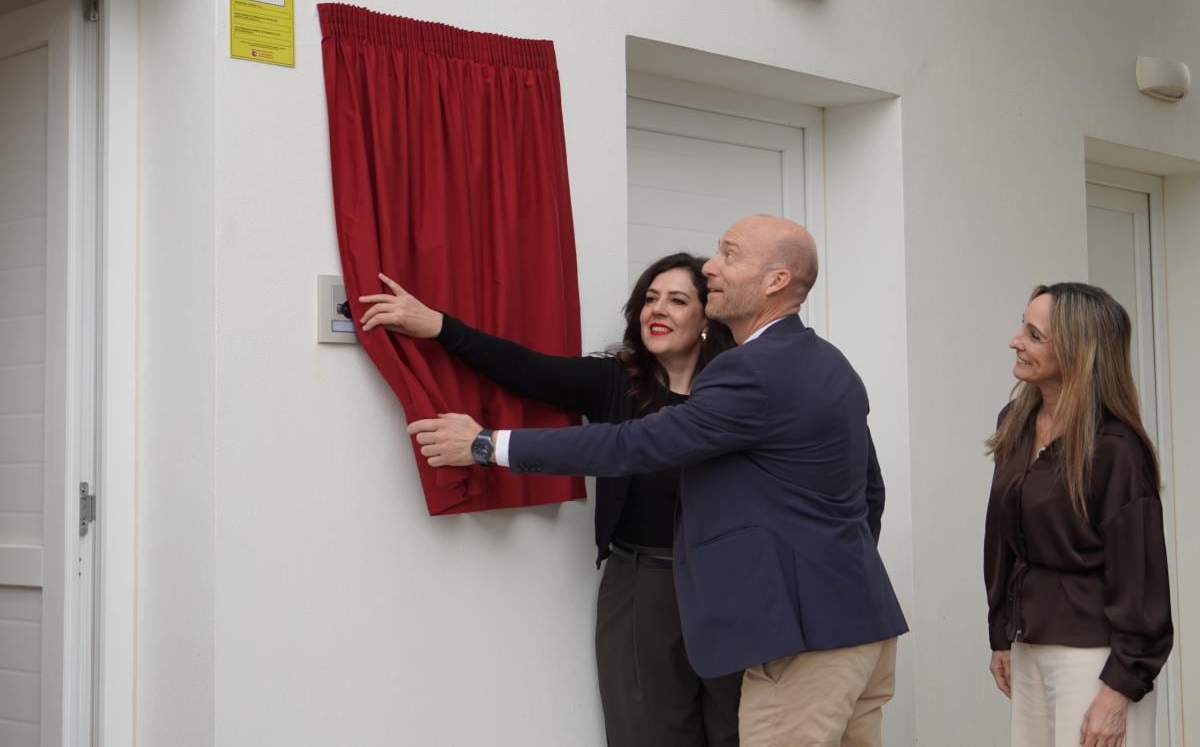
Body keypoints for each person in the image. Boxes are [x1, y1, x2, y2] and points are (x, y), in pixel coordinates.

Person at [405, 215, 909, 747]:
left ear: (776, 280)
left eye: (729, 255)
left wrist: (488, 444)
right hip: (859, 622)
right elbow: (867, 492)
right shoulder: (828, 363)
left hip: (803, 641)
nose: (710, 267)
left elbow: (633, 444)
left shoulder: (752, 371)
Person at [358, 253, 741, 747]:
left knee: (738, 728)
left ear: (707, 317)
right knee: (649, 731)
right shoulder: (617, 382)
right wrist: (436, 325)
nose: (657, 311)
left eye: (677, 300)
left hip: (725, 582)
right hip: (641, 583)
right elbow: (525, 370)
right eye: (649, 299)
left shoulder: (734, 394)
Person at [983, 283, 1173, 747]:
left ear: (1077, 351)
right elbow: (1002, 537)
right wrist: (1001, 632)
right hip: (1028, 645)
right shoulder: (1016, 422)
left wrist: (1118, 691)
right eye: (1021, 327)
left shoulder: (1117, 450)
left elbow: (1141, 579)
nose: (1015, 341)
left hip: (1096, 659)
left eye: (1034, 334)